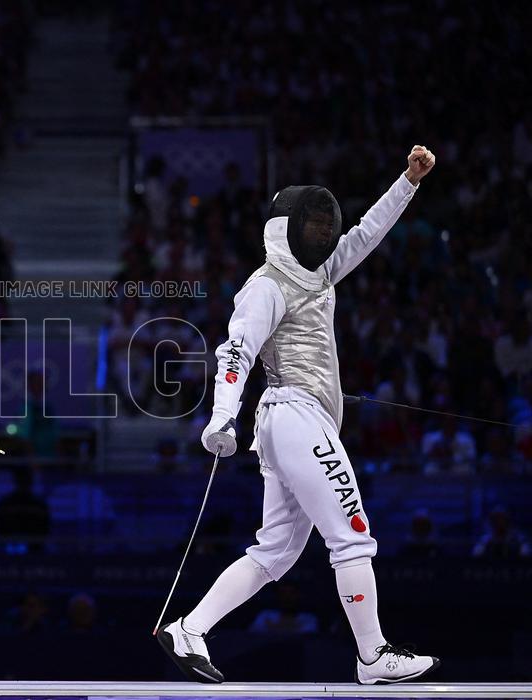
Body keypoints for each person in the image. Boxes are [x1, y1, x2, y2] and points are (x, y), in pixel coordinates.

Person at [158, 146, 439, 685]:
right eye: (312, 225)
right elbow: (236, 351)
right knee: (351, 534)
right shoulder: (266, 285)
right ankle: (373, 655)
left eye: (325, 225)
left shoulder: (322, 274)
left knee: (276, 552)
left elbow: (367, 233)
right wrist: (221, 417)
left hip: (301, 422)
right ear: (284, 230)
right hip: (292, 413)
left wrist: (408, 181)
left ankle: (188, 630)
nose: (323, 234)